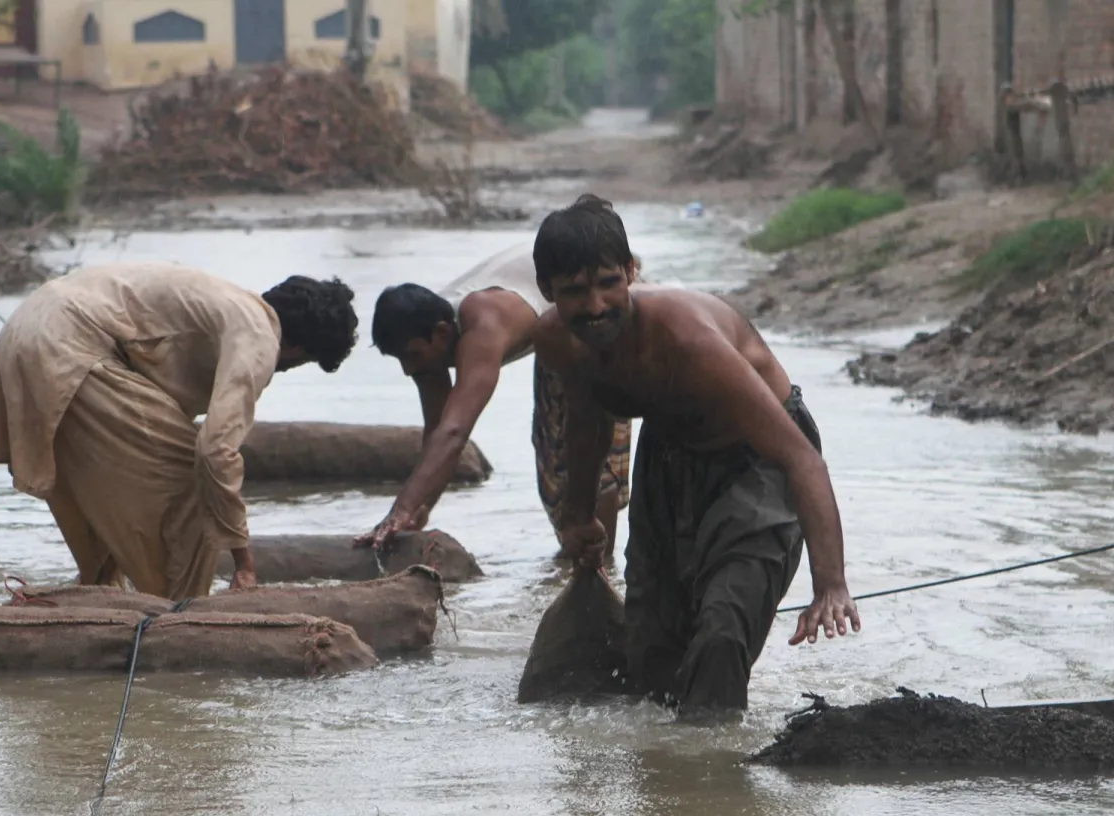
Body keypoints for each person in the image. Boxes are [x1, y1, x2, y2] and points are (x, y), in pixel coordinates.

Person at [531, 195, 860, 715]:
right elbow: (588, 419)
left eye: (608, 284)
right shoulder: (555, 341)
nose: (595, 307)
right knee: (652, 647)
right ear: (548, 292)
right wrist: (576, 514)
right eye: (574, 292)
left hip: (758, 459)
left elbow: (801, 460)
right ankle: (668, 777)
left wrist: (831, 585)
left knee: (723, 629)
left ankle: (712, 769)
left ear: (631, 272)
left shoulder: (686, 341)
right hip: (670, 453)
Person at [0, 261, 358, 601]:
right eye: (300, 363)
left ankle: (95, 600)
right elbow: (215, 452)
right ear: (295, 346)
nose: (285, 370)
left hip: (27, 331)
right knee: (190, 479)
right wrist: (244, 564)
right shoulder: (260, 336)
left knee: (113, 489)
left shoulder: (229, 307)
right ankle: (181, 614)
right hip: (67, 343)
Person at [356, 242, 633, 559]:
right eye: (400, 360)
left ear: (443, 332)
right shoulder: (424, 343)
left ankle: (599, 568)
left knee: (588, 457)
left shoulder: (482, 324)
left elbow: (455, 432)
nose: (409, 369)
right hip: (548, 332)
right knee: (552, 469)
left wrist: (399, 510)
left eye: (412, 356)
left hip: (589, 321)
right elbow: (437, 434)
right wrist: (416, 514)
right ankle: (575, 557)